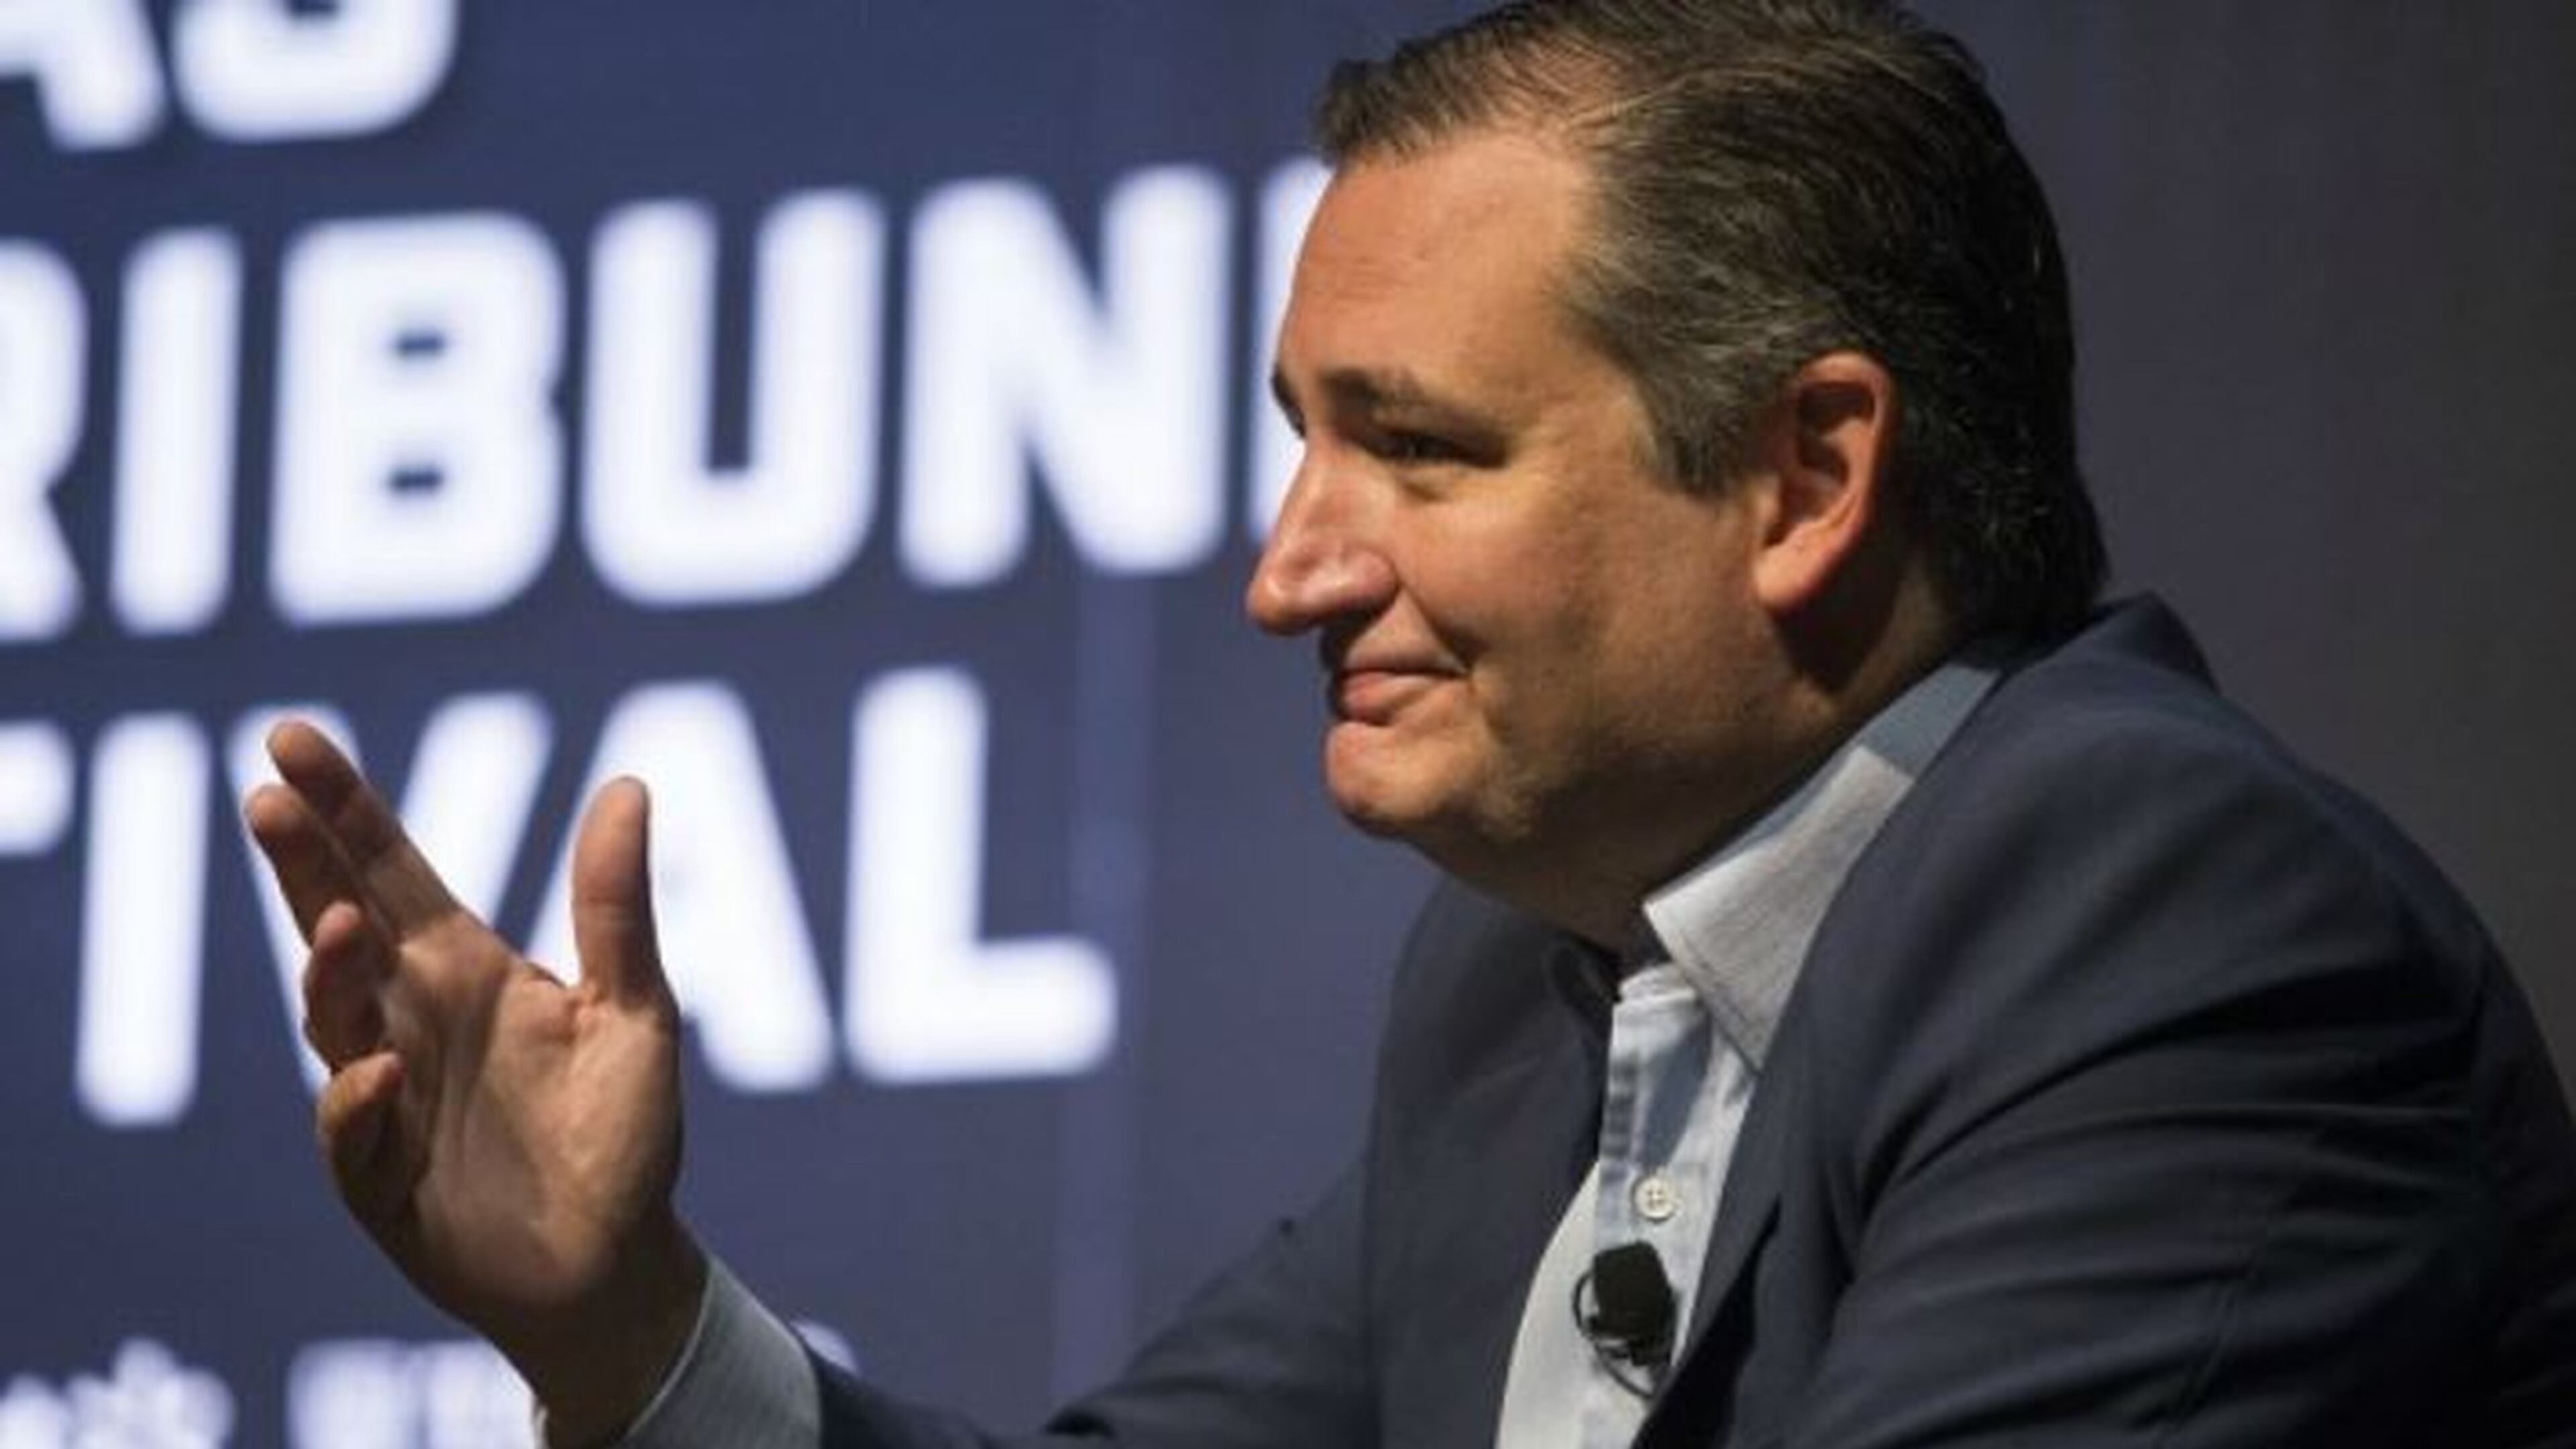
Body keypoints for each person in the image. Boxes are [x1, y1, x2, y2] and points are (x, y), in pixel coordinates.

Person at [246, 1, 2576, 1445]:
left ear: (1807, 477)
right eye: (1302, 442)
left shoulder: (2161, 927)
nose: (1290, 571)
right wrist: (632, 1336)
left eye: (1421, 449)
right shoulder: (1517, 1006)